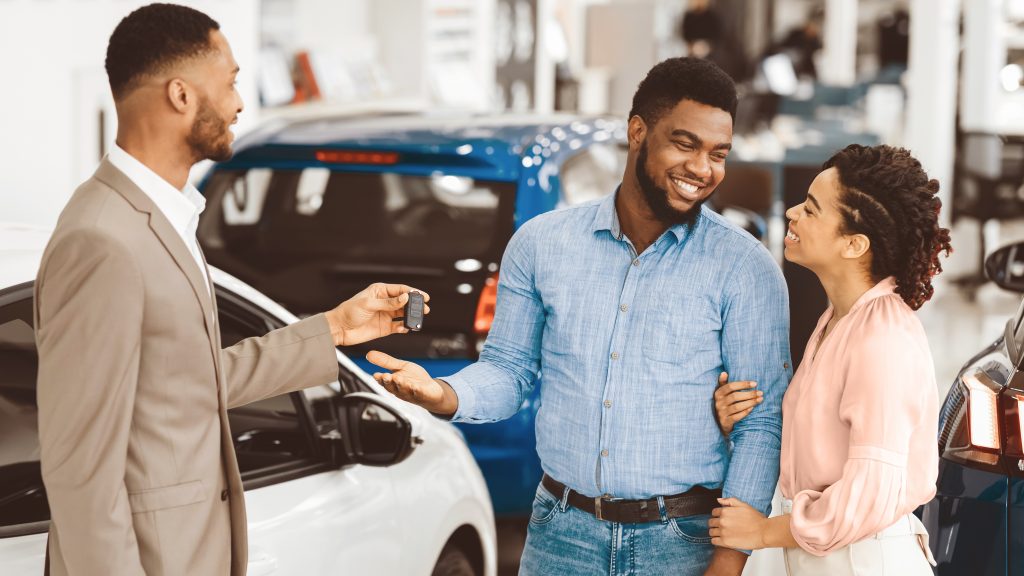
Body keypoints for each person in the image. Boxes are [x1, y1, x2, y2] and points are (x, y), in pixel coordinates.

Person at [34, 4, 427, 575]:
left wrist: (337, 328)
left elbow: (188, 381)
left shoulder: (161, 216)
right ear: (181, 96)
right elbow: (80, 473)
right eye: (231, 82)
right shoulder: (102, 240)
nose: (240, 103)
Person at [366, 57, 791, 576]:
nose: (703, 170)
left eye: (717, 153)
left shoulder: (746, 269)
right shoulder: (542, 245)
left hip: (684, 540)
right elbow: (509, 370)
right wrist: (446, 393)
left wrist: (727, 565)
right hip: (560, 536)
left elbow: (761, 425)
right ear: (638, 132)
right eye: (685, 144)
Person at [709, 144, 950, 575]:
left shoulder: (883, 340)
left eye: (812, 209)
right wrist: (733, 421)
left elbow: (868, 494)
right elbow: (820, 449)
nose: (792, 213)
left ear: (854, 244)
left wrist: (762, 532)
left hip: (860, 561)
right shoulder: (839, 319)